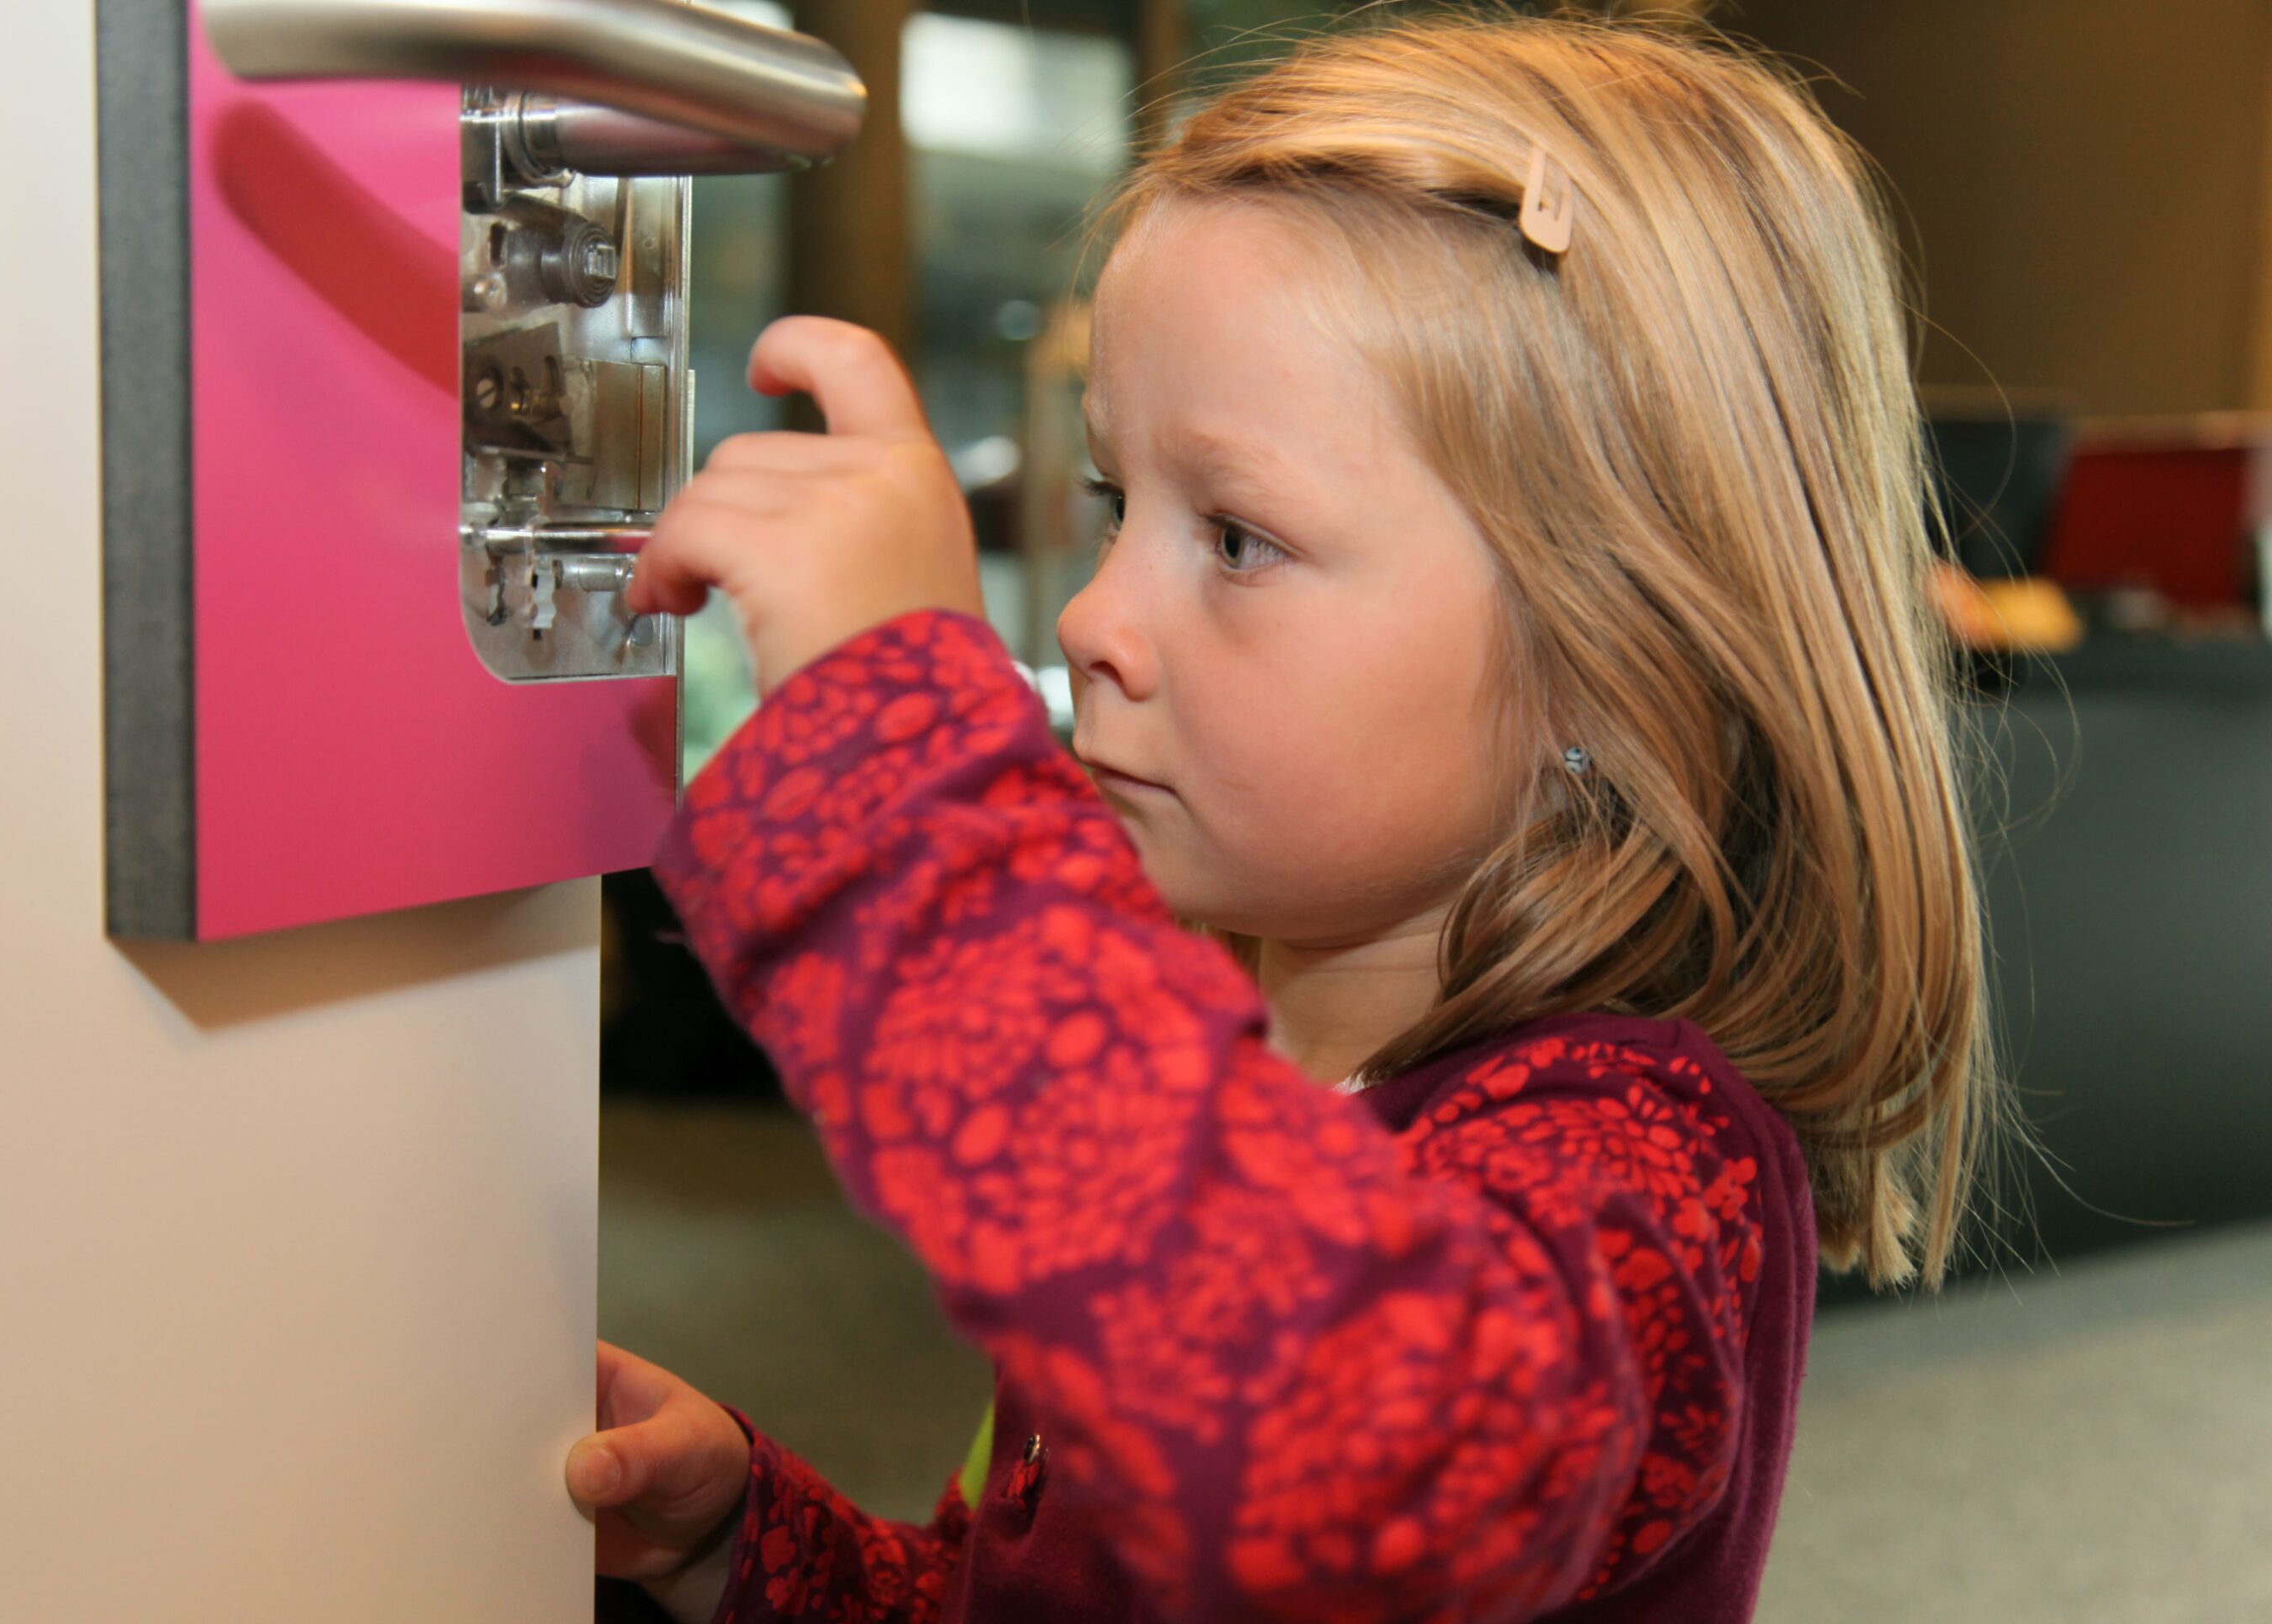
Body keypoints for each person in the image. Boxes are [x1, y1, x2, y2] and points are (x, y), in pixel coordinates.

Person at [565, 14, 2017, 1622]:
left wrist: (919, 799)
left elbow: (1325, 1469)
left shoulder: (1639, 1169)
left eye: (1239, 538)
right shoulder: (1216, 1098)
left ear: (1614, 669)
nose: (1093, 618)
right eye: (1116, 505)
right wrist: (752, 1551)